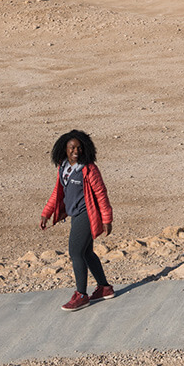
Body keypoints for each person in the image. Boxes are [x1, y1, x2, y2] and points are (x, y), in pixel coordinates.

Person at [40, 130, 115, 312]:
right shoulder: (63, 166)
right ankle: (104, 288)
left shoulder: (89, 169)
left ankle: (81, 295)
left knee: (75, 252)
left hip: (87, 215)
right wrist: (46, 213)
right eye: (72, 147)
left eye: (79, 148)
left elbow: (101, 194)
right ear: (64, 149)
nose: (76, 151)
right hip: (75, 214)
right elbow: (57, 192)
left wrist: (107, 219)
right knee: (87, 253)